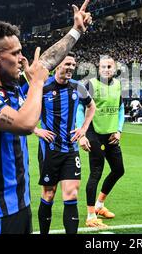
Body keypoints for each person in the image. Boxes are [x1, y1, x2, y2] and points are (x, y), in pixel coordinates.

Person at [0, 0, 92, 234]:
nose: (23, 59)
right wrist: (38, 80)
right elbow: (25, 123)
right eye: (16, 53)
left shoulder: (13, 88)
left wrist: (75, 32)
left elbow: (46, 62)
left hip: (20, 205)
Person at [25, 52, 96, 234]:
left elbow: (91, 106)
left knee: (71, 195)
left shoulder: (78, 87)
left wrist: (83, 129)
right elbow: (21, 109)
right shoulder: (42, 86)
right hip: (49, 149)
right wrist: (35, 129)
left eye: (73, 64)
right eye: (67, 64)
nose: (71, 67)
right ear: (57, 65)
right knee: (49, 194)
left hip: (71, 149)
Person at [80, 55, 125, 228]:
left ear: (114, 69)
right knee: (96, 172)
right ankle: (91, 215)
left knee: (118, 170)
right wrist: (82, 134)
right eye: (103, 67)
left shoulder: (119, 85)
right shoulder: (91, 85)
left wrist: (119, 130)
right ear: (98, 69)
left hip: (111, 135)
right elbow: (80, 108)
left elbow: (120, 109)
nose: (107, 69)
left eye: (109, 67)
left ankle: (99, 205)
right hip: (94, 133)